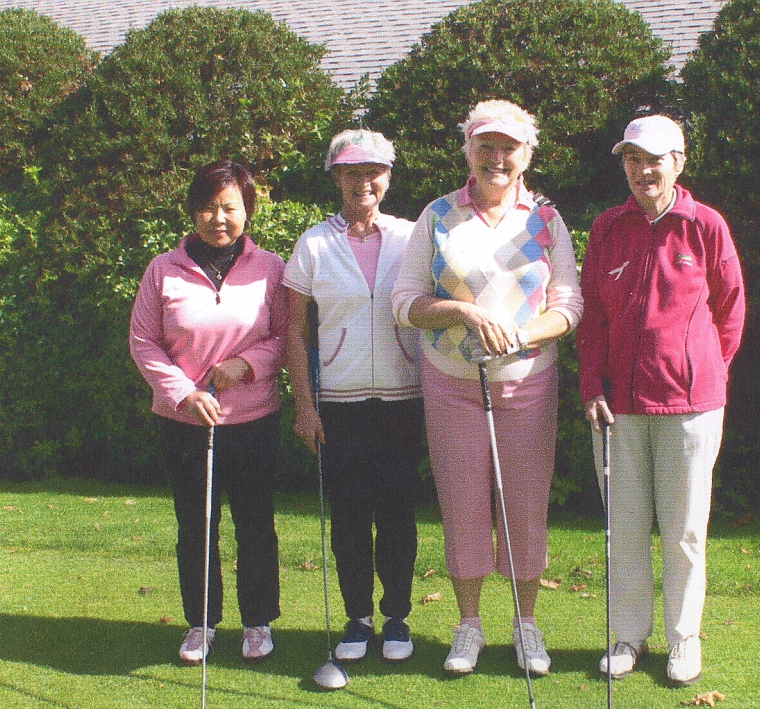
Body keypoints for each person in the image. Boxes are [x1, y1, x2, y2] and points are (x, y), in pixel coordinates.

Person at [392, 99, 583, 677]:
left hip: (527, 384)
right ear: (468, 151)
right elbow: (405, 305)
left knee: (525, 508)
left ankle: (527, 626)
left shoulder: (545, 222)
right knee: (463, 508)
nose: (497, 159)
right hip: (451, 385)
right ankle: (469, 626)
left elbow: (569, 306)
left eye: (509, 148)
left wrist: (520, 335)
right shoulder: (438, 214)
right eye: (486, 147)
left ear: (527, 155)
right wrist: (464, 313)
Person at [578, 115, 745, 686]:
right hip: (616, 406)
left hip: (692, 406)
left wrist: (705, 374)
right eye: (631, 159)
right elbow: (592, 317)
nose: (642, 170)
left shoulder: (706, 225)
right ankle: (628, 635)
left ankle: (683, 639)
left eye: (654, 159)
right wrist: (590, 386)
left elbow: (730, 309)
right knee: (623, 527)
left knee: (684, 529)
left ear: (679, 161)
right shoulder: (607, 227)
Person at [130, 160, 287, 665]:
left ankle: (258, 622)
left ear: (248, 211)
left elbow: (285, 337)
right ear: (192, 211)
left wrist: (247, 363)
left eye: (230, 207)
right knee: (196, 524)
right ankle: (201, 623)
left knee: (255, 523)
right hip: (184, 422)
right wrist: (183, 393)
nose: (218, 218)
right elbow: (144, 342)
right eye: (208, 207)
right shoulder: (162, 269)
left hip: (254, 418)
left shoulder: (271, 268)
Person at [283, 129, 423, 663]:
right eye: (350, 172)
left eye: (373, 172)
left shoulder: (413, 237)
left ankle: (398, 620)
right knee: (347, 516)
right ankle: (358, 619)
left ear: (387, 177)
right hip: (339, 403)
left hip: (402, 397)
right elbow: (295, 331)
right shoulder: (314, 244)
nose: (362, 182)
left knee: (397, 513)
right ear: (336, 178)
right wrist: (304, 404)